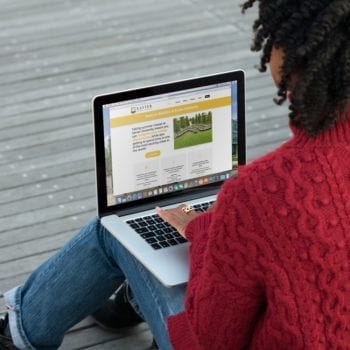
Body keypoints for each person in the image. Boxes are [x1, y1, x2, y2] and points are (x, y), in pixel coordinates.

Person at [1, 0, 350, 348]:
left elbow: (209, 339)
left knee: (113, 232)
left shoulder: (262, 192)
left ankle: (19, 334)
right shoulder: (272, 192)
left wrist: (205, 230)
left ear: (290, 52)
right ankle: (134, 299)